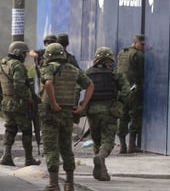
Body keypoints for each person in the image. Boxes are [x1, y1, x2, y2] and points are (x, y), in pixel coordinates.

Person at [39, 42, 94, 191]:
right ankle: (69, 184)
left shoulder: (48, 67)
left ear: (49, 55)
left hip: (51, 113)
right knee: (66, 148)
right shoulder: (73, 69)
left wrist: (53, 103)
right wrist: (82, 106)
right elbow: (90, 85)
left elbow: (48, 84)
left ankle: (53, 184)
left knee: (51, 149)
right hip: (68, 113)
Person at [0, 41, 41, 167]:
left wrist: (4, 94)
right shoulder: (17, 65)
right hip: (19, 104)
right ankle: (29, 159)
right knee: (27, 130)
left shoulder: (2, 63)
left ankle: (6, 156)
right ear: (18, 53)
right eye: (24, 53)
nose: (25, 56)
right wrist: (28, 98)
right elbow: (18, 86)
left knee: (10, 128)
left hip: (6, 103)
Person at [86, 47, 131, 181]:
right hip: (109, 111)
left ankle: (102, 170)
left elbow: (78, 89)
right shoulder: (115, 72)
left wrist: (80, 107)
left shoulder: (88, 73)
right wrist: (120, 103)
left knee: (97, 140)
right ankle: (100, 158)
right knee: (108, 141)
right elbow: (126, 91)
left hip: (92, 111)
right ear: (110, 59)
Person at [116, 34, 145, 153]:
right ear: (135, 42)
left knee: (123, 116)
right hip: (133, 91)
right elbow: (142, 74)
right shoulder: (138, 55)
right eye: (142, 44)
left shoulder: (122, 53)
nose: (144, 46)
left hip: (122, 90)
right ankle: (131, 145)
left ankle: (122, 145)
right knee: (135, 116)